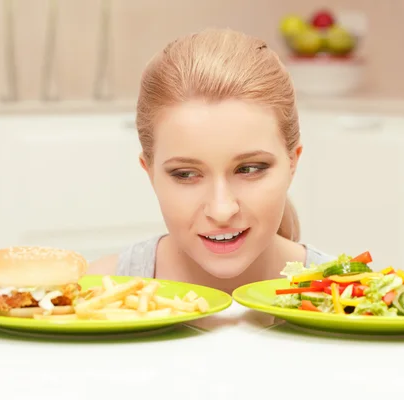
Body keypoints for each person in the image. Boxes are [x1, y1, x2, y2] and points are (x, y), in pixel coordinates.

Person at [88, 28, 332, 294]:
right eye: (185, 174)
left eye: (249, 169)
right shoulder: (95, 290)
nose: (221, 210)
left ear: (292, 162)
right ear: (149, 172)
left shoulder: (356, 297)